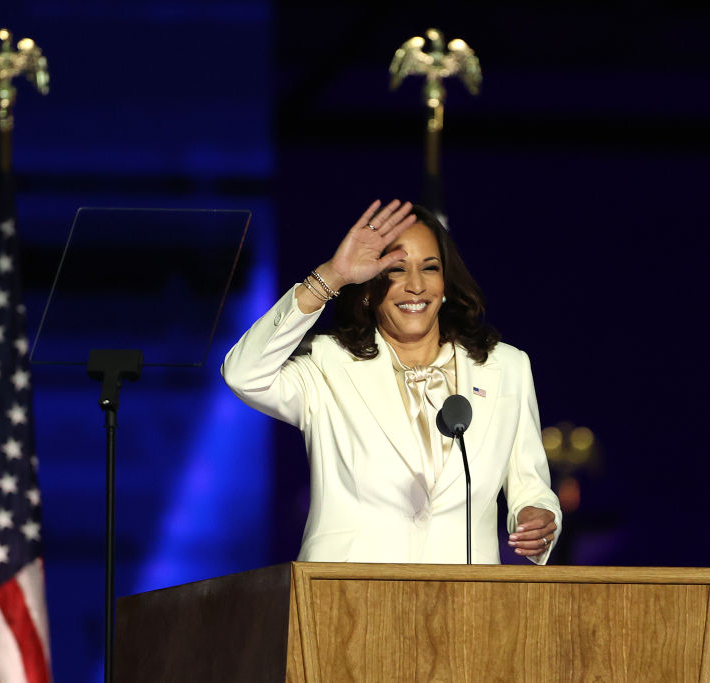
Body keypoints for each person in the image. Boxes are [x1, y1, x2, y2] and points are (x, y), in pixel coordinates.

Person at [221, 199, 560, 564]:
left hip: (467, 591)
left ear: (445, 283)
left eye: (430, 268)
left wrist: (537, 516)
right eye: (397, 269)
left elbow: (531, 486)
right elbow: (244, 375)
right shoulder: (326, 364)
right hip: (345, 589)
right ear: (367, 288)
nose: (416, 285)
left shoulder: (506, 367)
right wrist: (330, 277)